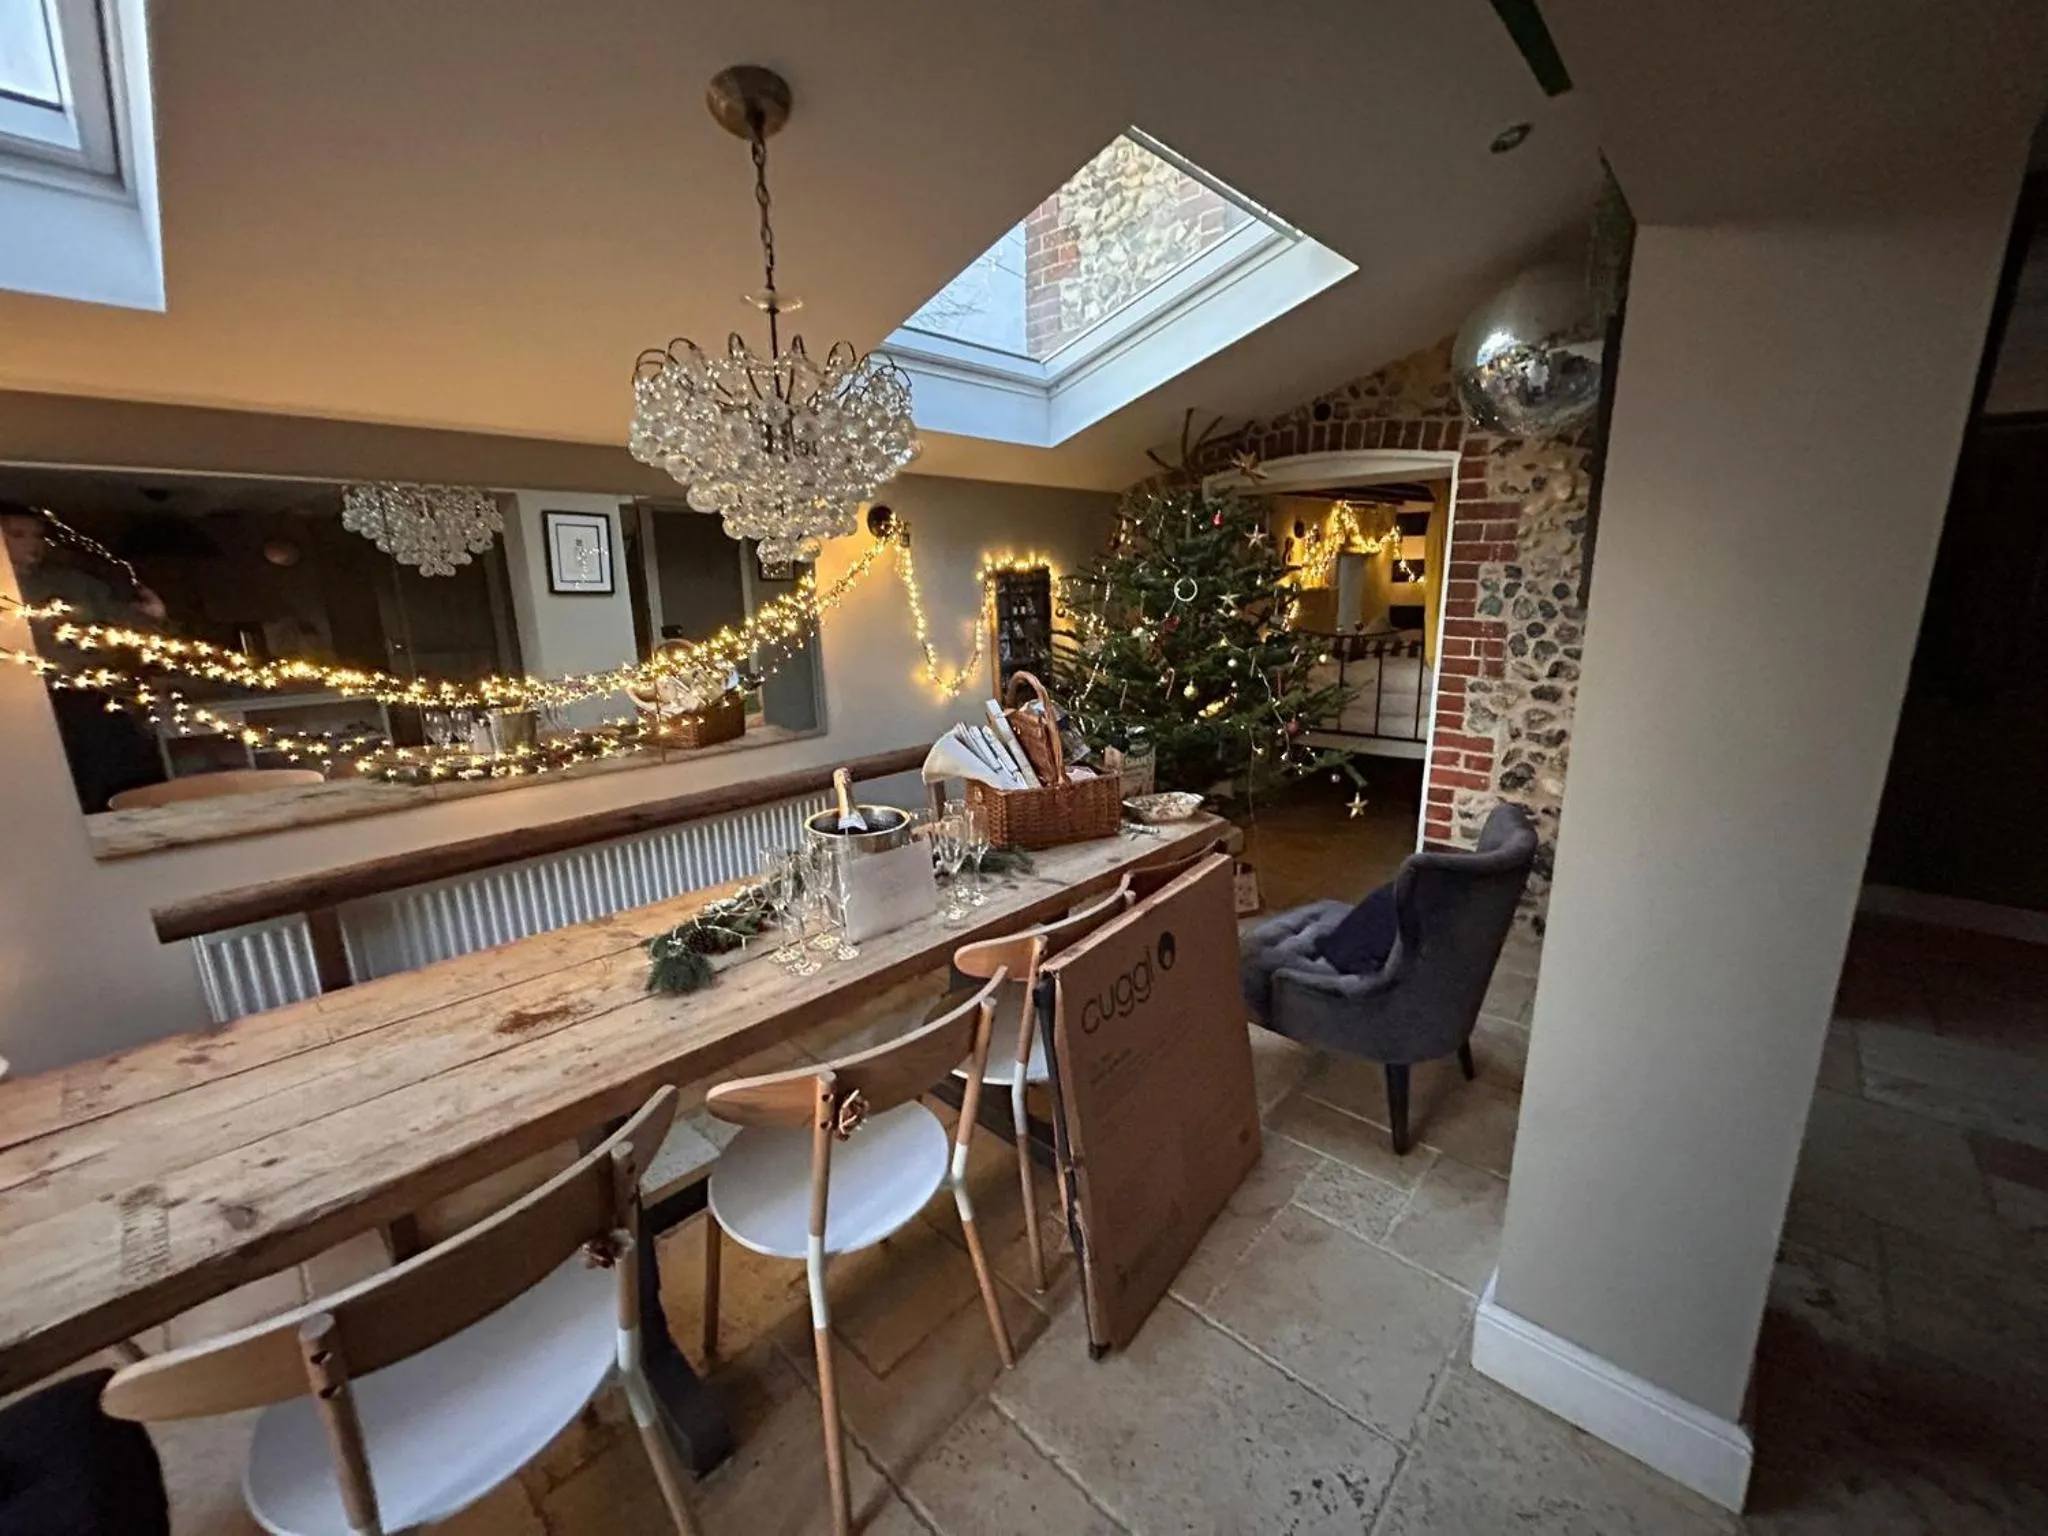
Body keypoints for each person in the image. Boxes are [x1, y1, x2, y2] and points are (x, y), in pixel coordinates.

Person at [2, 501, 170, 811]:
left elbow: (126, 618)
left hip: (80, 696)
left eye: (37, 535)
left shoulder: (69, 584)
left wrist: (148, 615)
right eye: (18, 534)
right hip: (16, 709)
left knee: (108, 776)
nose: (33, 543)